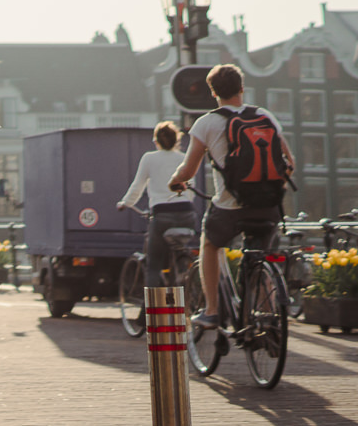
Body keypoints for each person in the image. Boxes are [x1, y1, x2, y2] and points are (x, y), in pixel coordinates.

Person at [169, 64, 295, 329]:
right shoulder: (265, 116)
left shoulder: (206, 124)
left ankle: (212, 310)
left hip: (230, 208)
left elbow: (188, 169)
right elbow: (289, 163)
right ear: (242, 88)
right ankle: (269, 316)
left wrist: (176, 180)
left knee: (210, 244)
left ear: (213, 93)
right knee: (259, 255)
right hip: (269, 206)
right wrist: (270, 190)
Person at [116, 122, 194, 283]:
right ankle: (183, 276)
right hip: (187, 213)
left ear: (156, 141)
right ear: (177, 140)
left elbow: (138, 186)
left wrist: (125, 203)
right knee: (180, 249)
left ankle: (151, 307)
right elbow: (191, 188)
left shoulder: (149, 158)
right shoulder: (184, 158)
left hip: (162, 215)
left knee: (154, 265)